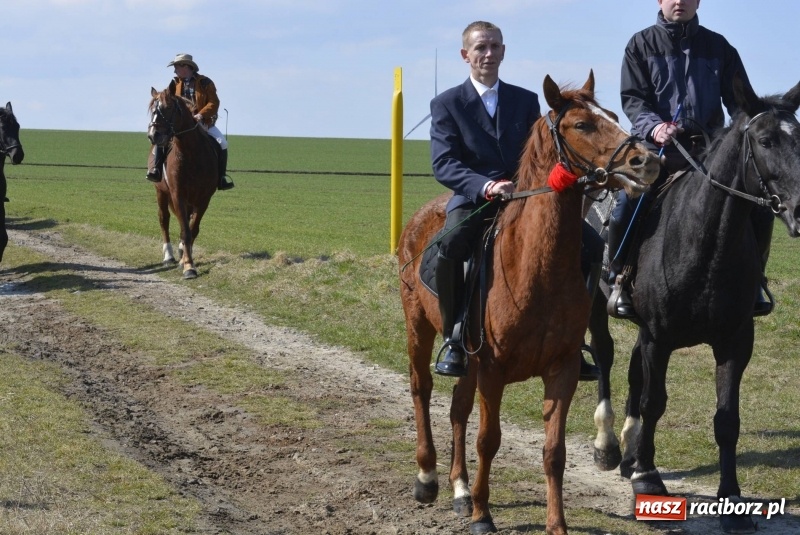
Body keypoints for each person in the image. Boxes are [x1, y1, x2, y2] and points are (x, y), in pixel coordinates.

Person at [430, 20, 602, 380]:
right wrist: (485, 186)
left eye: (495, 46)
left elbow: (541, 152)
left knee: (591, 244)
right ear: (466, 55)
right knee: (451, 244)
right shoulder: (446, 103)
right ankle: (455, 335)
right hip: (474, 198)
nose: (488, 53)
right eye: (481, 48)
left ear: (504, 52)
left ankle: (577, 337)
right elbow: (443, 163)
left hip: (525, 197)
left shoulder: (525, 100)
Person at [608, 0, 774, 318]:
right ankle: (618, 278)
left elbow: (740, 102)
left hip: (709, 151)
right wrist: (654, 126)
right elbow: (633, 99)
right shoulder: (640, 44)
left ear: (699, 2)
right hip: (656, 149)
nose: (679, 1)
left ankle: (755, 282)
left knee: (761, 209)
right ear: (660, 0)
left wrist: (745, 131)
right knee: (625, 206)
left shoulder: (720, 47)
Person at [147, 53, 234, 191]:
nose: (175, 70)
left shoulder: (205, 83)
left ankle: (221, 178)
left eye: (176, 67)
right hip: (180, 125)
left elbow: (214, 102)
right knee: (162, 140)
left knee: (223, 143)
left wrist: (201, 114)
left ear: (186, 67)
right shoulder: (175, 83)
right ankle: (156, 171)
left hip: (203, 123)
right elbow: (166, 99)